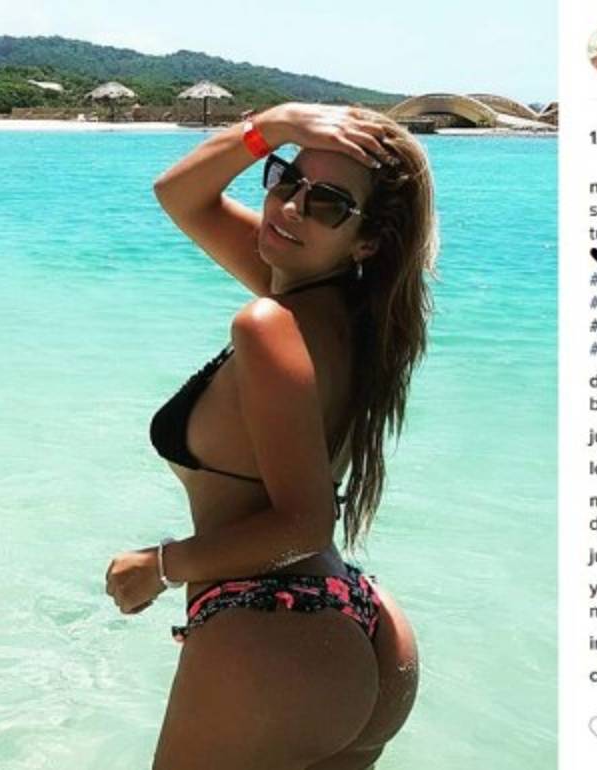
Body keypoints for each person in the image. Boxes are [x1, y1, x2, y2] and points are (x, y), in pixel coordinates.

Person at [104, 101, 438, 769]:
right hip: (362, 625)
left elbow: (305, 524)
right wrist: (277, 125)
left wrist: (162, 566)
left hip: (271, 634)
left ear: (367, 241)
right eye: (287, 178)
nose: (290, 207)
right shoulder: (348, 314)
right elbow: (180, 195)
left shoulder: (269, 324)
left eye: (328, 204)